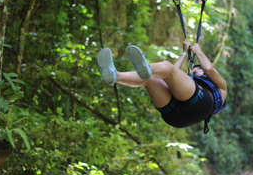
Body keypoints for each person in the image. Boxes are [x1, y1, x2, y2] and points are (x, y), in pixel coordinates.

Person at [97, 39, 227, 133]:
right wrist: (183, 53)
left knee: (165, 68)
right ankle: (115, 76)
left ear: (203, 72)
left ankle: (147, 67)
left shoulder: (221, 87)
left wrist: (199, 52)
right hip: (174, 117)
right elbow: (167, 75)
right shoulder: (189, 85)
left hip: (200, 104)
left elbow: (209, 68)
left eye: (196, 69)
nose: (192, 72)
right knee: (149, 78)